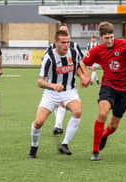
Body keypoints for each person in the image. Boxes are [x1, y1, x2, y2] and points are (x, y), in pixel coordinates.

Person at [81, 21, 126, 161]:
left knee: (113, 126)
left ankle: (104, 135)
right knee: (102, 113)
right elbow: (82, 63)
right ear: (101, 37)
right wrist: (85, 76)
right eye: (106, 38)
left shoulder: (125, 44)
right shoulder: (96, 50)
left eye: (111, 37)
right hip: (108, 86)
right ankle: (95, 151)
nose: (109, 40)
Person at [28, 30, 90, 159]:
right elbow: (40, 82)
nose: (66, 45)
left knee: (77, 111)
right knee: (39, 122)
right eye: (63, 42)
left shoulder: (73, 52)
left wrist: (84, 76)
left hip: (69, 91)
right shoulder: (49, 57)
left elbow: (81, 64)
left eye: (68, 42)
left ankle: (64, 144)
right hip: (51, 93)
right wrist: (53, 85)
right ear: (56, 43)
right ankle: (33, 147)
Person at [48, 23, 85, 136]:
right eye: (62, 31)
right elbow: (44, 58)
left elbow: (81, 62)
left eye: (66, 31)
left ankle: (58, 126)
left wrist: (83, 76)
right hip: (54, 81)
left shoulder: (74, 46)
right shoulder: (52, 46)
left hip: (69, 82)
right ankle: (58, 125)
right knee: (60, 104)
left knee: (63, 105)